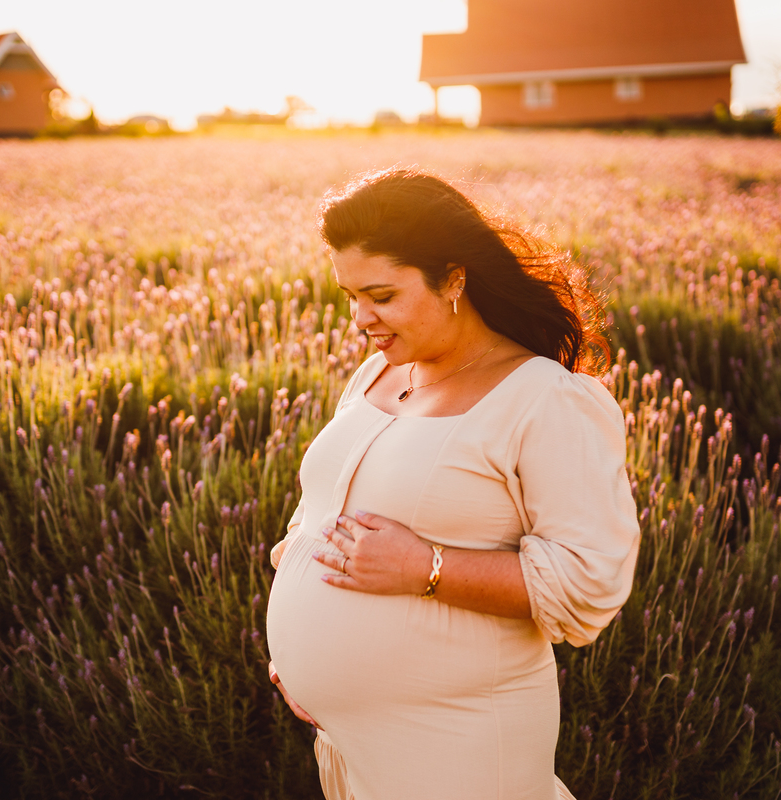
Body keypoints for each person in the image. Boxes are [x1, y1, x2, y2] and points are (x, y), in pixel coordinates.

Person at [264, 169, 641, 800]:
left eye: (381, 295)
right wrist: (301, 641)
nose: (361, 318)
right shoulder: (377, 375)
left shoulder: (545, 399)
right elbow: (323, 511)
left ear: (454, 278)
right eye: (349, 296)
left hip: (455, 745)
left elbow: (588, 583)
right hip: (349, 746)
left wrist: (425, 567)